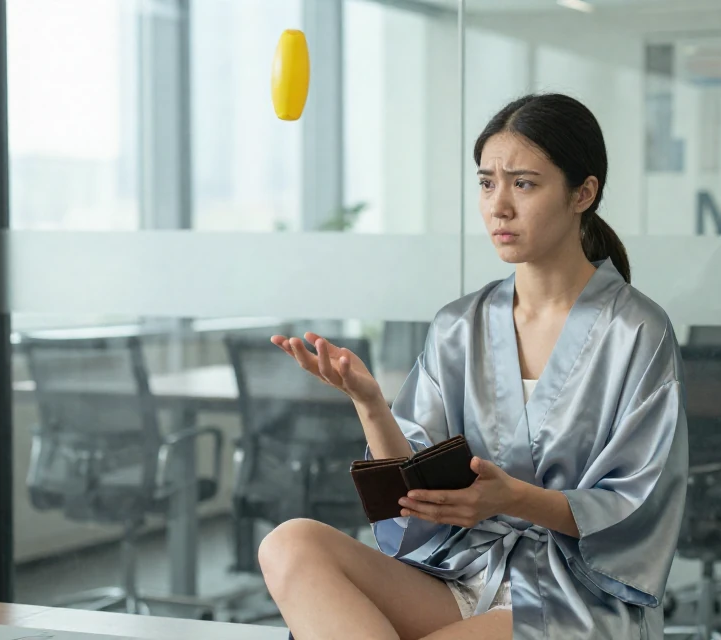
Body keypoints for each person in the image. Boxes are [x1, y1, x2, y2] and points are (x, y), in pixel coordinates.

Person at [260, 93, 688, 640]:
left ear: (584, 193)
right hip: (460, 574)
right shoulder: (459, 325)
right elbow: (410, 497)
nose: (498, 206)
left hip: (573, 598)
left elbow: (638, 506)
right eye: (486, 183)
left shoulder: (637, 332)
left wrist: (514, 499)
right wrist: (369, 404)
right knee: (291, 543)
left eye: (524, 184)